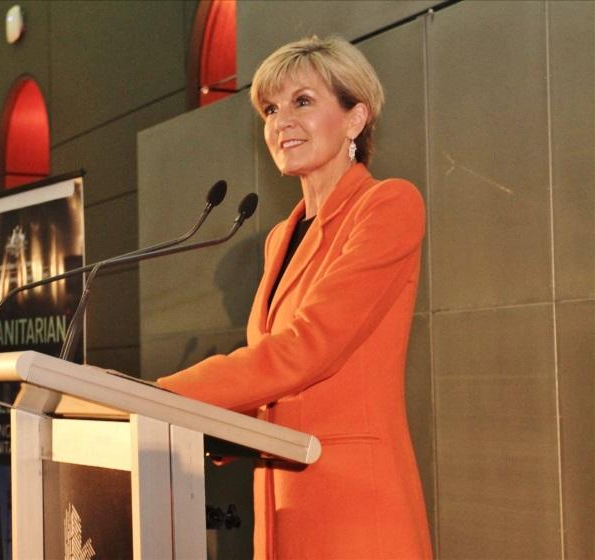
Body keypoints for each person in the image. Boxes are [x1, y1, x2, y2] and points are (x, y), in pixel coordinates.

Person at [157, 35, 433, 559]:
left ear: (355, 118)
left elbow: (308, 349)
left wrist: (164, 397)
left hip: (355, 508)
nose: (281, 120)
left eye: (302, 102)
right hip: (281, 502)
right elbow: (278, 388)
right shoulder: (283, 235)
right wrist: (219, 434)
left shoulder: (388, 205)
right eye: (270, 108)